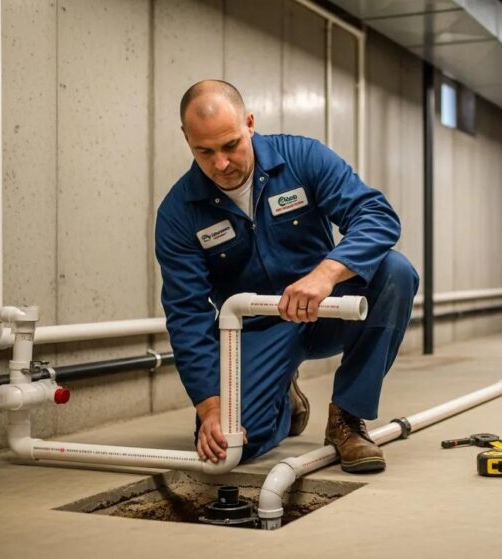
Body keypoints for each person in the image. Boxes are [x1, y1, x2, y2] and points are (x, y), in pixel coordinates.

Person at [155, 80, 418, 473]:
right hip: (258, 329)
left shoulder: (302, 158)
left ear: (249, 123)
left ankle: (346, 419)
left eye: (230, 145)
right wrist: (209, 407)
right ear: (186, 139)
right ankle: (282, 401)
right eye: (204, 152)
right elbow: (186, 315)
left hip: (327, 310)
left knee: (395, 272)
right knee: (233, 443)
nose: (221, 164)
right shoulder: (179, 213)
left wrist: (327, 273)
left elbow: (377, 217)